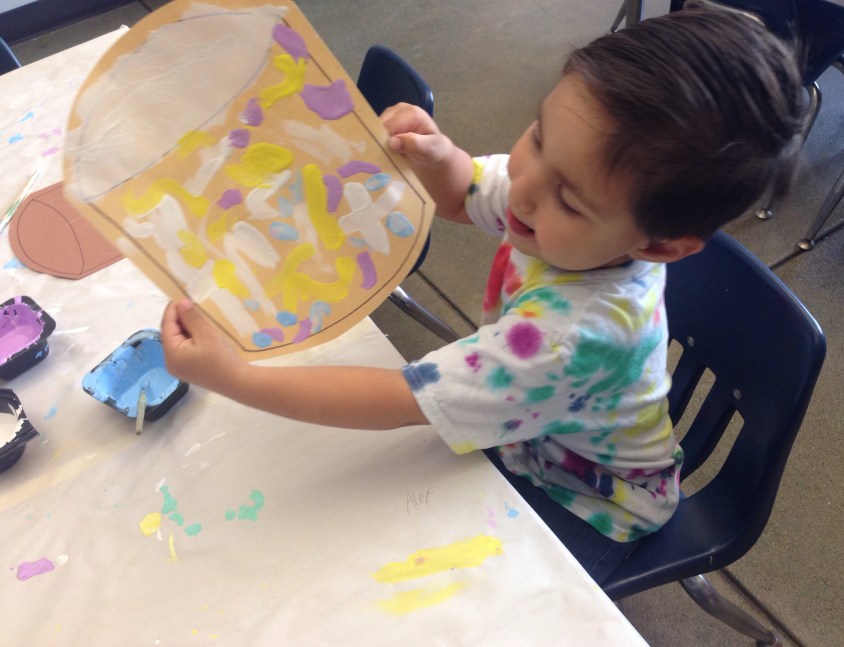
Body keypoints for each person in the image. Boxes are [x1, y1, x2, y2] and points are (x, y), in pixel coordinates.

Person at [160, 8, 804, 585]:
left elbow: (397, 400)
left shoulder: (564, 342)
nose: (524, 186)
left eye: (568, 199)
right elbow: (465, 192)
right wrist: (439, 157)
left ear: (660, 245)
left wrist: (235, 376)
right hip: (529, 431)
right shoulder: (559, 202)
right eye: (539, 135)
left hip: (590, 505)